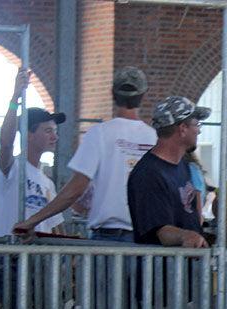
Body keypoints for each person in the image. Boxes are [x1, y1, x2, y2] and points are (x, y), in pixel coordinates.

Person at [13, 67, 156, 241]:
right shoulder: (154, 138)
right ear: (144, 95)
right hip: (148, 239)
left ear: (112, 93)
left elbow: (75, 189)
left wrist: (32, 221)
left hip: (109, 238)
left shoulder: (99, 134)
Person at [0, 68, 67, 237]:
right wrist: (15, 98)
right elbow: (5, 144)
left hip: (37, 259)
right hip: (9, 257)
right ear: (29, 135)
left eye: (54, 130)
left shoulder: (48, 183)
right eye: (48, 131)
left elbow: (57, 225)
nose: (55, 136)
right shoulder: (12, 167)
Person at [126, 96, 209, 247]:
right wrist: (186, 236)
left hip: (183, 267)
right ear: (183, 128)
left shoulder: (182, 165)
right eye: (197, 125)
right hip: (160, 269)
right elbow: (161, 231)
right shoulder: (149, 174)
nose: (198, 131)